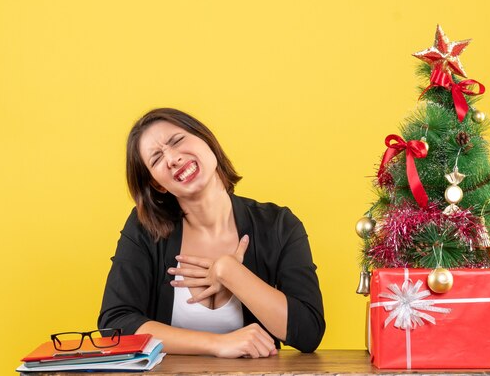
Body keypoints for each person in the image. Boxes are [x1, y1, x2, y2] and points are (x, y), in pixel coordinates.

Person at [98, 108, 325, 358]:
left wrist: (230, 272)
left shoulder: (279, 225)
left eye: (177, 141)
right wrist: (217, 344)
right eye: (156, 159)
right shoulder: (144, 228)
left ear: (205, 140)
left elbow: (308, 332)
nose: (172, 158)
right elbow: (116, 324)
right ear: (157, 184)